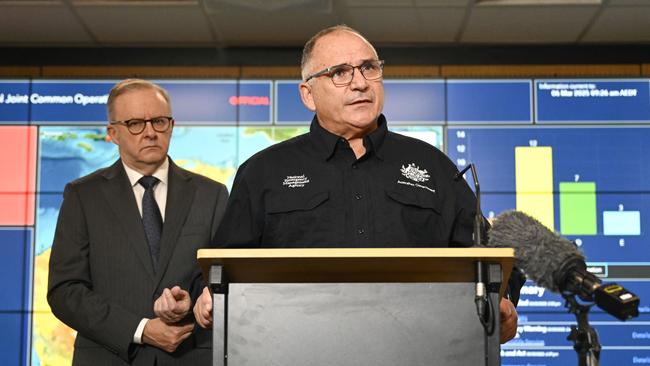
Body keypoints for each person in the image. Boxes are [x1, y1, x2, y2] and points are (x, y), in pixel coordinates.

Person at [194, 25, 522, 343]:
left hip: (418, 348)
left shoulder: (433, 166)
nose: (360, 83)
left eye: (368, 68)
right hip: (296, 348)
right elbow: (226, 270)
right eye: (340, 72)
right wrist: (210, 297)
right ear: (308, 94)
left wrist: (502, 304)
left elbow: (491, 260)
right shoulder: (262, 171)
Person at [47, 79, 228, 365]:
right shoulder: (82, 196)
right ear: (113, 133)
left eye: (159, 121)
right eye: (135, 123)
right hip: (111, 357)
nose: (150, 133)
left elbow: (222, 279)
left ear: (171, 125)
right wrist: (141, 330)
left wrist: (191, 304)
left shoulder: (212, 194)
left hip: (192, 355)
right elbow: (65, 291)